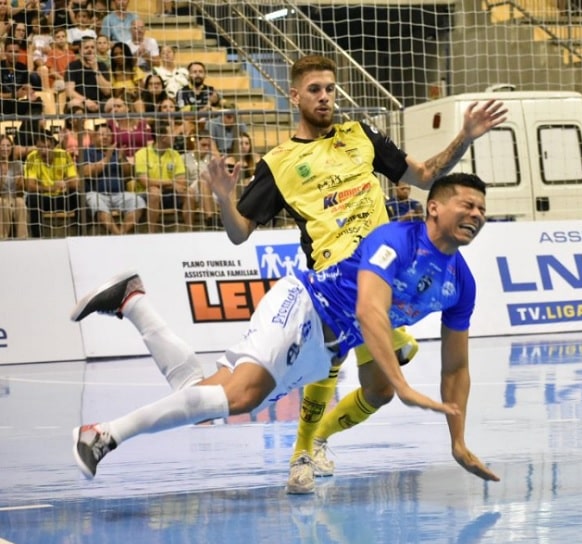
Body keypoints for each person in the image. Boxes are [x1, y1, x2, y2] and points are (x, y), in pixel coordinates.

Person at [70, 172, 499, 489]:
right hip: (305, 306)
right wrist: (401, 385)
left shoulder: (461, 283)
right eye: (467, 205)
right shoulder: (396, 241)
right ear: (435, 208)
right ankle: (103, 434)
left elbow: (456, 369)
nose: (476, 215)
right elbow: (370, 311)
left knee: (207, 394)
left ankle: (133, 301)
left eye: (481, 209)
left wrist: (457, 442)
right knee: (243, 394)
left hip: (323, 350)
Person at [210, 54, 506, 494]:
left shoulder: (360, 136)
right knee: (326, 366)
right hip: (330, 281)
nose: (325, 97)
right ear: (294, 96)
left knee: (380, 391)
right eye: (315, 89)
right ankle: (301, 456)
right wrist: (223, 197)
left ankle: (322, 436)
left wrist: (464, 136)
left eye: (330, 88)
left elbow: (425, 176)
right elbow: (239, 233)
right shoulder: (280, 163)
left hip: (382, 276)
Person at [82, 124, 145, 234]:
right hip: (96, 194)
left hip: (119, 194)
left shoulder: (116, 152)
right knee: (96, 203)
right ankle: (117, 234)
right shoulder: (87, 151)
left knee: (138, 201)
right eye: (101, 135)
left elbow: (128, 175)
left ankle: (121, 234)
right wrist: (107, 158)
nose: (105, 137)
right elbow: (87, 172)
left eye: (108, 135)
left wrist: (121, 158)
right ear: (94, 137)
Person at [133, 121, 194, 231]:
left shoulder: (175, 154)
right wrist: (171, 182)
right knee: (154, 192)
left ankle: (189, 232)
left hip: (169, 192)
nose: (175, 136)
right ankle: (152, 234)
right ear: (162, 137)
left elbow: (182, 181)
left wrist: (170, 184)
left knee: (189, 192)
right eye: (172, 133)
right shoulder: (141, 154)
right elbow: (145, 182)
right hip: (146, 194)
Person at [23, 131, 80, 238]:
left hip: (61, 197)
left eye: (47, 147)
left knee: (79, 196)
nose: (44, 151)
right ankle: (38, 239)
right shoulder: (32, 157)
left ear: (53, 146)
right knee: (32, 198)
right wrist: (50, 188)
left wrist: (65, 184)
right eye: (41, 148)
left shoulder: (63, 155)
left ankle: (81, 237)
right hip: (43, 199)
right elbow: (29, 186)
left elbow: (75, 182)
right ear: (36, 147)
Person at [65, 35, 111, 113]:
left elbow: (107, 91)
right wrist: (86, 101)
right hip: (80, 101)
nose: (90, 50)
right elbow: (69, 92)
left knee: (116, 104)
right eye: (86, 48)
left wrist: (95, 70)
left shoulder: (102, 65)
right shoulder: (73, 66)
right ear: (80, 50)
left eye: (92, 47)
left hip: (100, 102)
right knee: (75, 104)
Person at [0, 134, 27, 239]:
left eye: (8, 145)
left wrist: (20, 183)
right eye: (2, 145)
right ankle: (2, 238)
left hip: (15, 197)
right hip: (2, 197)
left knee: (20, 202)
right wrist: (2, 178)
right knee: (3, 203)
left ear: (11, 147)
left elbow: (21, 191)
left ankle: (22, 239)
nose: (5, 149)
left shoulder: (17, 164)